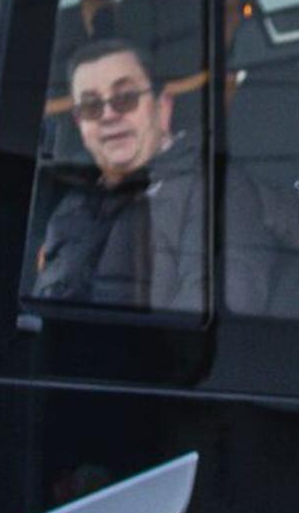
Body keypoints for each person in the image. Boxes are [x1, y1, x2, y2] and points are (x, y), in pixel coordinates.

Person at [28, 34, 204, 311]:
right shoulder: (68, 205)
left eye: (125, 98)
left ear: (162, 107)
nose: (108, 115)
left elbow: (196, 338)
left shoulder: (218, 194)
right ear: (80, 124)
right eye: (91, 106)